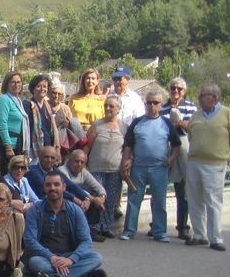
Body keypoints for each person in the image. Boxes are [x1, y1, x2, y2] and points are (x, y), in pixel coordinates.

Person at [23, 171, 106, 277]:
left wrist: (71, 259)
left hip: (68, 255)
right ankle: (84, 274)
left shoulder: (75, 210)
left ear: (64, 187)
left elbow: (86, 241)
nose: (52, 188)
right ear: (44, 188)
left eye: (56, 184)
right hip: (44, 258)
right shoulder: (35, 210)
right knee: (36, 263)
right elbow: (30, 240)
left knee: (96, 258)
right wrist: (51, 257)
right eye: (48, 185)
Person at [185, 83, 230, 251]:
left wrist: (224, 155)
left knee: (213, 202)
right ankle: (199, 235)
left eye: (202, 95)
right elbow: (190, 136)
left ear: (213, 97)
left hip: (215, 164)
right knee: (194, 200)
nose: (199, 98)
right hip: (194, 162)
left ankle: (216, 238)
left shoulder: (228, 115)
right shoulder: (196, 115)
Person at [119, 91, 181, 242]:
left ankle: (160, 232)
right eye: (149, 102)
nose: (152, 105)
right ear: (145, 104)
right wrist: (124, 165)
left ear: (161, 105)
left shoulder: (166, 123)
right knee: (134, 200)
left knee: (159, 201)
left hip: (159, 168)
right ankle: (129, 231)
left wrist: (171, 159)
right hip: (138, 168)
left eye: (155, 102)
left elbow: (177, 144)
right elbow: (128, 145)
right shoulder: (137, 122)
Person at [160, 77, 198, 240]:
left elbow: (193, 126)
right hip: (164, 146)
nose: (176, 91)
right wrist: (179, 123)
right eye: (173, 88)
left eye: (179, 89)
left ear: (185, 91)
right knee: (158, 189)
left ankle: (183, 226)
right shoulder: (162, 107)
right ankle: (158, 226)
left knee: (183, 189)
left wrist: (176, 124)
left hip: (184, 146)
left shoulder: (191, 107)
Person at [84, 96, 127, 238]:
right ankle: (95, 227)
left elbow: (128, 149)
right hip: (96, 169)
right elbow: (87, 146)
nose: (108, 108)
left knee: (110, 200)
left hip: (115, 170)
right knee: (97, 198)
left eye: (111, 106)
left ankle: (106, 227)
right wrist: (84, 164)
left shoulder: (124, 127)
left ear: (119, 109)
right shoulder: (97, 125)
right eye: (106, 105)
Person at [59, 149, 107, 239]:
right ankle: (81, 230)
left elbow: (97, 186)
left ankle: (91, 228)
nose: (79, 165)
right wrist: (93, 200)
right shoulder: (62, 171)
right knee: (85, 195)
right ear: (70, 160)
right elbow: (73, 188)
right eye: (76, 161)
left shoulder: (83, 172)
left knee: (96, 193)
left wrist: (102, 197)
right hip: (68, 198)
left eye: (82, 162)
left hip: (82, 198)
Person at [25, 145, 90, 208]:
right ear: (40, 157)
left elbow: (71, 185)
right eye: (46, 157)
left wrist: (86, 198)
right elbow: (50, 189)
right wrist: (76, 200)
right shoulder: (32, 170)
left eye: (52, 158)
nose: (49, 160)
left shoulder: (55, 170)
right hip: (38, 204)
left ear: (56, 160)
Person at [0, 71, 31, 173]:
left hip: (17, 144)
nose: (16, 85)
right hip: (6, 146)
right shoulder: (4, 100)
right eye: (13, 82)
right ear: (7, 84)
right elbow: (2, 124)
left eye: (18, 82)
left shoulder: (17, 101)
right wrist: (8, 147)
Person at [24, 74, 60, 158]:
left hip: (49, 147)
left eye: (45, 87)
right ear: (33, 88)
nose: (42, 89)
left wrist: (58, 147)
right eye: (39, 86)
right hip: (33, 148)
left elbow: (54, 128)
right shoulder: (27, 105)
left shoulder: (49, 107)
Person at [49, 82, 85, 159]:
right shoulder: (45, 106)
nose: (56, 96)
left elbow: (71, 125)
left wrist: (69, 124)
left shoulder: (65, 108)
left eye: (59, 94)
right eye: (54, 93)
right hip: (48, 141)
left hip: (62, 145)